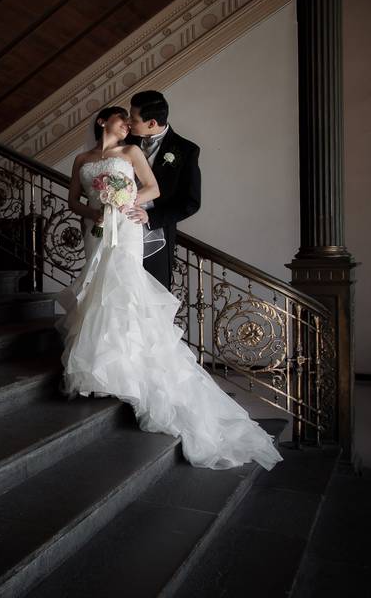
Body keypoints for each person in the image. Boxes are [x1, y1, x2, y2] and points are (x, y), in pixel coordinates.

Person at [58, 106, 282, 471]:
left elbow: (153, 188)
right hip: (97, 232)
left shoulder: (131, 153)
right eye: (121, 120)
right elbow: (72, 200)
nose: (127, 125)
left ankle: (128, 368)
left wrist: (124, 202)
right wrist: (95, 212)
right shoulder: (82, 158)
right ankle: (100, 369)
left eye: (130, 122)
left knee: (124, 291)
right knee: (97, 293)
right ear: (103, 121)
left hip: (126, 230)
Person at [122, 91, 201, 290]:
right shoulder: (125, 141)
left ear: (152, 123)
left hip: (157, 233)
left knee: (152, 294)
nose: (129, 122)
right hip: (122, 229)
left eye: (134, 118)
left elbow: (190, 202)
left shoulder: (186, 150)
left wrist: (151, 217)